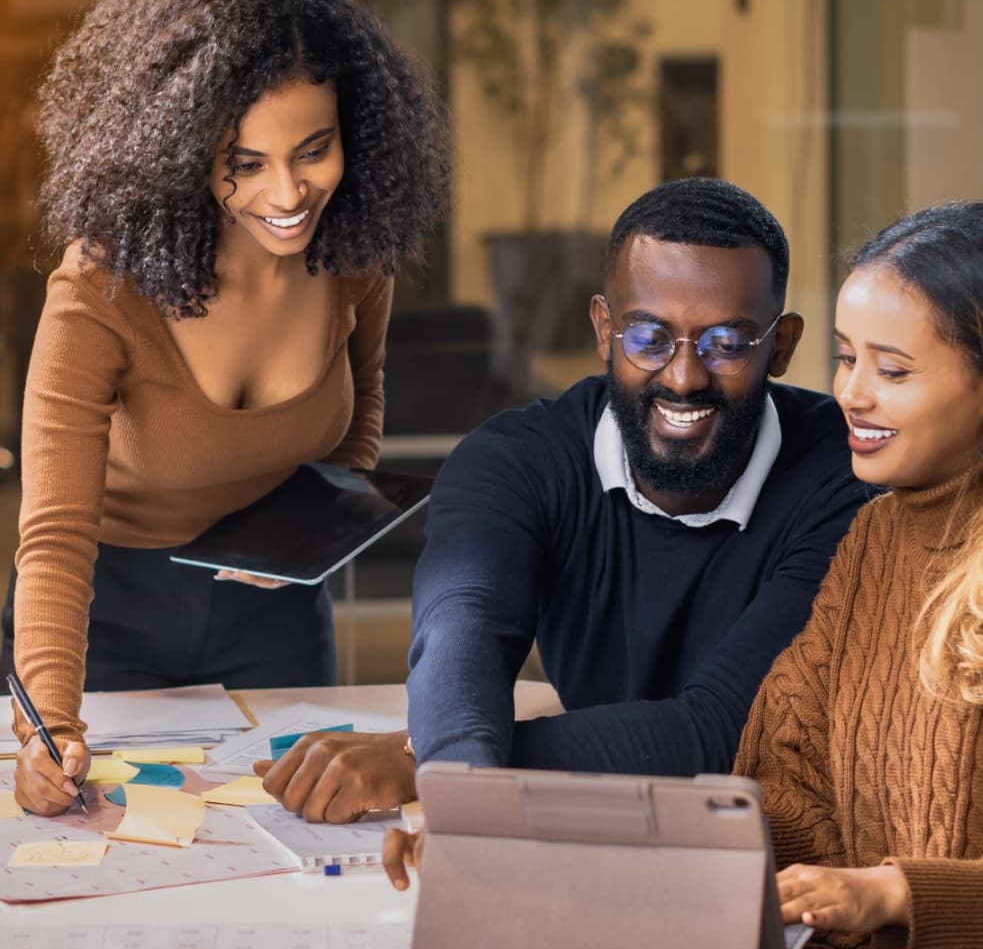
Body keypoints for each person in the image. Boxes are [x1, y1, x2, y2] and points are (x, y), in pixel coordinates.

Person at [257, 177, 870, 823]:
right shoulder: (516, 462)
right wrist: (456, 761)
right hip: (578, 817)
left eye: (724, 343)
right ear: (604, 330)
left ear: (780, 344)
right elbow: (463, 634)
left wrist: (433, 767)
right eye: (648, 338)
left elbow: (721, 729)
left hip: (790, 839)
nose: (685, 377)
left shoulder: (845, 481)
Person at [6, 0, 449, 817]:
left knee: (308, 844)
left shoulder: (354, 257)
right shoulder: (102, 289)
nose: (287, 193)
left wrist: (303, 537)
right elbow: (54, 533)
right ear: (174, 152)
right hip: (111, 614)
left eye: (312, 151)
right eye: (241, 163)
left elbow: (356, 422)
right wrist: (47, 728)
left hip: (275, 615)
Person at [732, 201, 983, 949]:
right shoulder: (875, 536)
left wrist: (893, 894)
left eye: (893, 370)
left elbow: (873, 886)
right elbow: (790, 778)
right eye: (845, 359)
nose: (850, 394)